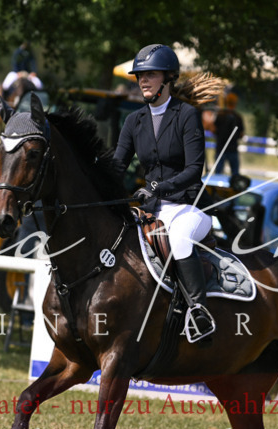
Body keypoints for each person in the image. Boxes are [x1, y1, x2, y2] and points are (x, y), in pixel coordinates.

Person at [112, 43, 221, 343]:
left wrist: (158, 188)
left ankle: (199, 311)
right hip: (150, 209)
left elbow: (193, 170)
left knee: (180, 237)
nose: (143, 80)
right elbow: (117, 166)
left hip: (186, 207)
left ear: (168, 78)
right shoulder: (134, 121)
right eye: (140, 76)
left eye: (150, 74)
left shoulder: (186, 115)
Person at [213, 92, 245, 176]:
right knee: (235, 175)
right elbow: (241, 134)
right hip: (232, 148)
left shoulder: (220, 115)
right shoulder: (238, 117)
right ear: (235, 103)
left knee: (218, 174)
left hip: (220, 147)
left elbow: (214, 130)